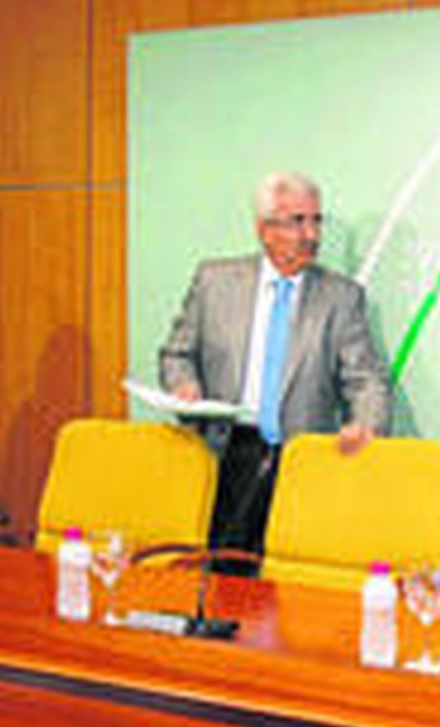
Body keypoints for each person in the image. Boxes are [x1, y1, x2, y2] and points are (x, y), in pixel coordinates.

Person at [158, 172, 391, 561]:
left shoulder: (341, 297)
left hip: (299, 461)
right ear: (264, 230)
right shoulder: (215, 282)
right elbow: (176, 354)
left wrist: (367, 425)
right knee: (218, 584)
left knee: (285, 593)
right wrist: (184, 386)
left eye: (316, 220)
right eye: (297, 221)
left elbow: (367, 379)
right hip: (224, 455)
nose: (311, 234)